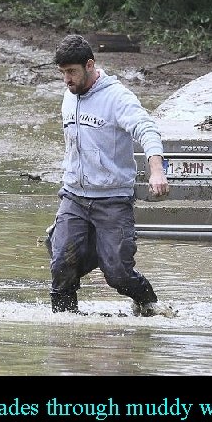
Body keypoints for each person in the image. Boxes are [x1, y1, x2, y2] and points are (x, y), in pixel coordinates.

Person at [46, 34, 174, 317]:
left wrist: (156, 171)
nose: (66, 80)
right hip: (74, 198)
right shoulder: (70, 96)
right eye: (62, 73)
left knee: (117, 273)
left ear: (90, 65)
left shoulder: (117, 98)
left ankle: (151, 306)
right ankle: (65, 333)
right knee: (61, 266)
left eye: (72, 72)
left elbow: (147, 130)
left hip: (112, 199)